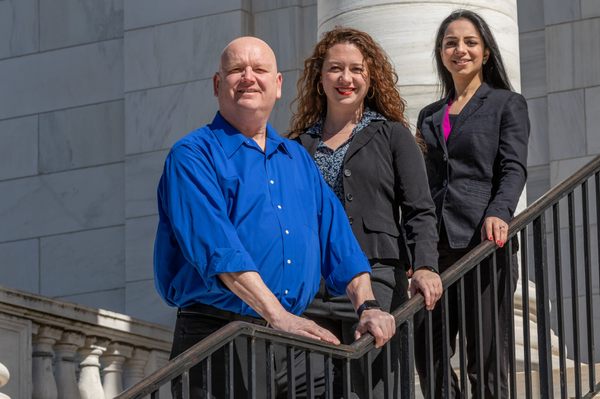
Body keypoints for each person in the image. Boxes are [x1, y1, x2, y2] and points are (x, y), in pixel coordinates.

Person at [153, 36, 396, 398]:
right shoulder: (191, 156)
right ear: (218, 84)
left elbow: (338, 240)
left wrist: (369, 305)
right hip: (219, 338)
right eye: (237, 69)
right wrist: (278, 316)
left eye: (260, 69)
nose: (249, 77)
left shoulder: (297, 159)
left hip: (294, 342)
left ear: (278, 84)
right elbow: (219, 251)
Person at [289, 27, 442, 398]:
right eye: (335, 68)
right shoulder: (297, 146)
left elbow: (420, 209)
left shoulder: (392, 134)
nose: (346, 78)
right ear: (319, 77)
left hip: (376, 276)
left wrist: (425, 265)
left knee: (377, 387)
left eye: (356, 69)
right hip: (313, 287)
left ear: (370, 77)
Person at [414, 9, 530, 398]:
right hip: (437, 247)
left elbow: (513, 168)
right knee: (428, 351)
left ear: (486, 54)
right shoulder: (429, 115)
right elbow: (426, 185)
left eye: (469, 42)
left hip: (484, 244)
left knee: (486, 358)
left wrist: (500, 211)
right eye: (450, 43)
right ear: (441, 53)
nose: (459, 49)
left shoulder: (505, 103)